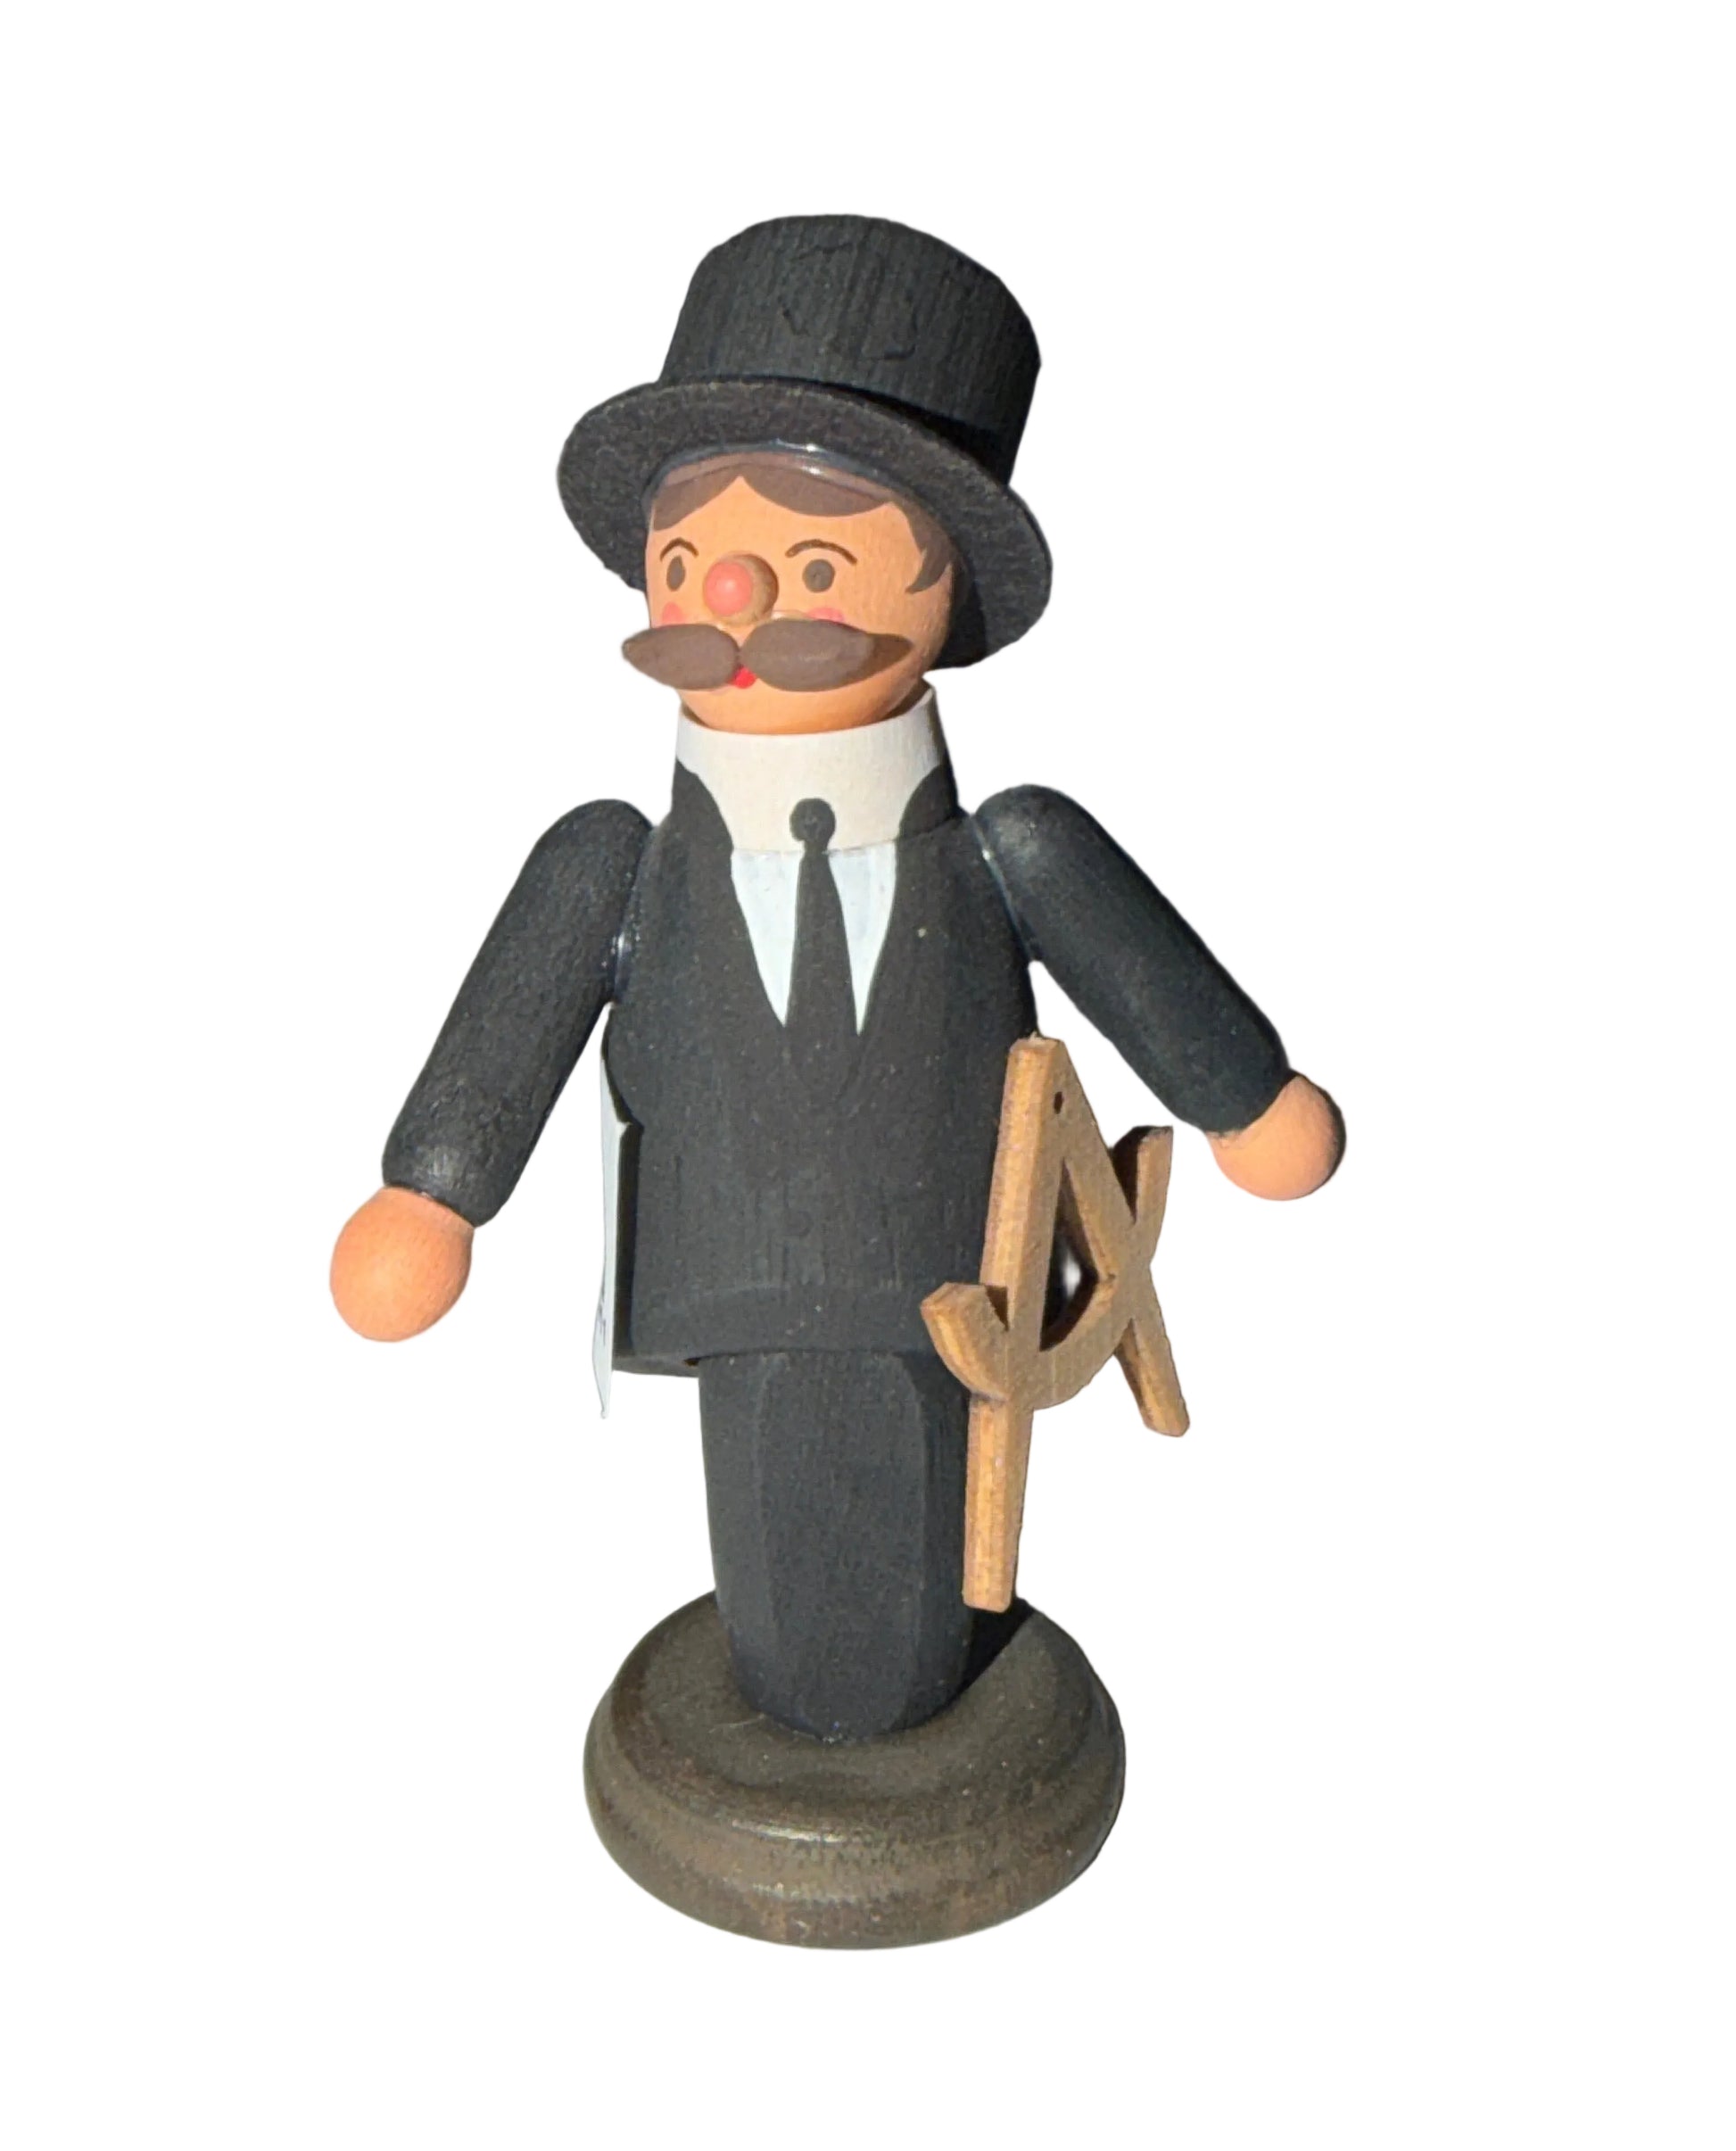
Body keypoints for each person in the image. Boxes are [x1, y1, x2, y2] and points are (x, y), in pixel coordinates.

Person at [331, 216, 1342, 1741]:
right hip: (728, 1270)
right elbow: (509, 1025)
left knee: (924, 1550)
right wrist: (435, 1194)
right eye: (688, 564)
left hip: (959, 1264)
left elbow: (1133, 962)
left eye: (813, 565)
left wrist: (1241, 1098)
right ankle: (818, 1724)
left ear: (944, 594)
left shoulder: (1008, 850)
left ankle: (903, 1727)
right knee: (779, 1556)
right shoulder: (614, 864)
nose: (733, 601)